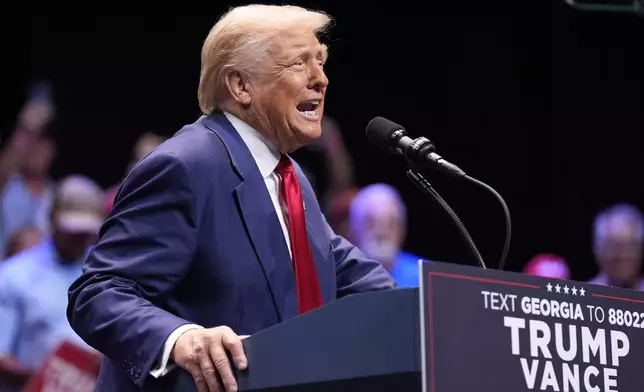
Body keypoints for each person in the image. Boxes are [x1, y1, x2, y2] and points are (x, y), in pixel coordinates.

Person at [67, 5, 396, 392]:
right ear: (241, 86)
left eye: (321, 63)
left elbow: (339, 266)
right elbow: (97, 293)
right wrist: (180, 340)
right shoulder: (185, 166)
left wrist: (438, 311)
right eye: (298, 63)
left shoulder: (289, 177)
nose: (321, 79)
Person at [0, 175, 103, 391]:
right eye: (72, 230)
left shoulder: (105, 273)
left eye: (85, 232)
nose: (79, 238)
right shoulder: (14, 274)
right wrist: (52, 376)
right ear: (52, 220)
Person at [348, 183, 423, 287]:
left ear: (402, 230)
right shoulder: (340, 280)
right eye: (371, 223)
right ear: (354, 231)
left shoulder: (424, 277)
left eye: (390, 223)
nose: (381, 232)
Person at [589, 203, 644, 290]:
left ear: (640, 249)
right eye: (613, 248)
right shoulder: (584, 298)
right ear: (598, 251)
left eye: (628, 247)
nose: (621, 256)